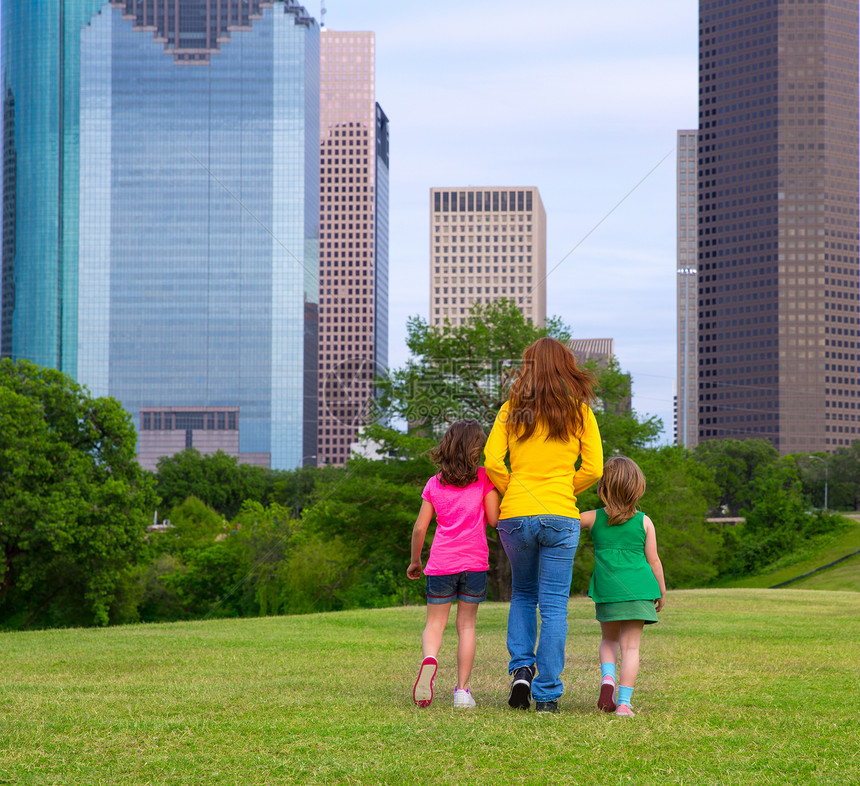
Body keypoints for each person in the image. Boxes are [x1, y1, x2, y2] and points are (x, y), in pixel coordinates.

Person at [485, 337, 603, 713]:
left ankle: (522, 670)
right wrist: (564, 489)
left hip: (516, 514)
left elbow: (491, 463)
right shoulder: (580, 412)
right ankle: (548, 695)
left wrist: (513, 491)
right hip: (560, 515)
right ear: (566, 366)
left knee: (522, 594)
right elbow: (595, 470)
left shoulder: (510, 410)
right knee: (553, 607)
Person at [408, 419, 501, 709]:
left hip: (440, 563)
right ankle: (462, 691)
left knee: (435, 623)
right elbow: (496, 520)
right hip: (474, 564)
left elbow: (420, 529)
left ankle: (429, 659)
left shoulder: (435, 483)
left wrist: (415, 561)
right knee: (467, 627)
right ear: (477, 449)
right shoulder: (484, 478)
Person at [580, 456, 667, 718]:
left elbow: (565, 520)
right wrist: (661, 591)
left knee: (609, 639)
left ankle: (608, 678)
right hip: (639, 590)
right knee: (631, 647)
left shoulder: (592, 518)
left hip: (608, 590)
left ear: (603, 488)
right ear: (637, 488)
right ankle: (624, 703)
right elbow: (654, 561)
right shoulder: (644, 521)